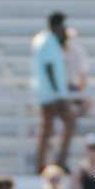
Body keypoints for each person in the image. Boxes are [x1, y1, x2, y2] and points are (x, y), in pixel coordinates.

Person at [32, 12, 75, 170]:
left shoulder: (45, 40)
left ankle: (42, 163)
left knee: (47, 129)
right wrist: (58, 93)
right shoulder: (48, 41)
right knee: (69, 123)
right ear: (57, 25)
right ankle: (59, 161)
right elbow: (49, 68)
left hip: (48, 93)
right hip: (52, 95)